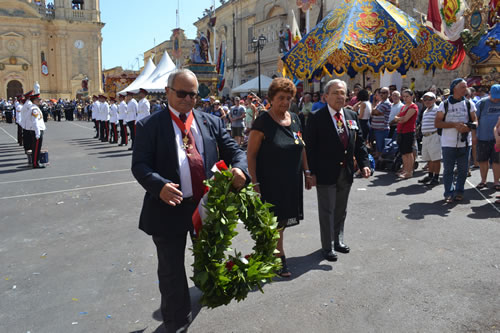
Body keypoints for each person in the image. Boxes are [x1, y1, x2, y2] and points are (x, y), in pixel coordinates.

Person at [131, 69, 248, 333]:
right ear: (168, 92)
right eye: (181, 93)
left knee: (207, 256)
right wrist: (158, 186)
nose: (187, 99)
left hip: (204, 205)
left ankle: (208, 291)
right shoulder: (149, 125)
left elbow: (234, 150)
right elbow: (140, 165)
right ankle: (176, 319)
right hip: (167, 207)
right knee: (171, 267)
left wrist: (241, 169)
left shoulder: (211, 122)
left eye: (193, 94)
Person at [247, 78, 313, 277]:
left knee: (281, 222)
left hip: (291, 181)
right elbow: (251, 155)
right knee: (274, 223)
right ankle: (278, 258)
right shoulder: (263, 122)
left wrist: (307, 172)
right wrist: (254, 182)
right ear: (271, 99)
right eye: (281, 98)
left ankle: (266, 254)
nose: (285, 102)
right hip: (269, 181)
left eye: (289, 98)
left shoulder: (294, 118)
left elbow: (301, 146)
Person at [305, 79, 371, 262]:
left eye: (343, 93)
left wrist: (365, 163)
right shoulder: (316, 117)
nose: (340, 96)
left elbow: (359, 143)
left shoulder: (351, 115)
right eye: (335, 93)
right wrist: (310, 173)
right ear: (326, 96)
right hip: (325, 171)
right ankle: (327, 246)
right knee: (327, 210)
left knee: (341, 210)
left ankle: (338, 239)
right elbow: (309, 148)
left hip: (346, 171)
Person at [435, 78, 478, 203]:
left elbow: (475, 121)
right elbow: (437, 123)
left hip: (465, 143)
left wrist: (468, 127)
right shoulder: (444, 104)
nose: (466, 89)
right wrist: (454, 125)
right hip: (448, 142)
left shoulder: (470, 104)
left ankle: (459, 191)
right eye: (463, 87)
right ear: (455, 88)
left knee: (463, 169)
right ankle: (448, 192)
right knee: (448, 169)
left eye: (466, 87)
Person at [473, 84, 500, 190]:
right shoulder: (482, 103)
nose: (497, 99)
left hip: (497, 139)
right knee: (483, 160)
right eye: (495, 96)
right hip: (483, 137)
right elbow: (475, 120)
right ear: (490, 94)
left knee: (497, 161)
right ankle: (483, 180)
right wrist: (474, 136)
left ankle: (496, 181)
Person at [418, 92, 441, 186]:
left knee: (436, 158)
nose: (427, 101)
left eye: (430, 99)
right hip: (426, 136)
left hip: (434, 135)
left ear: (434, 100)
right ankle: (430, 175)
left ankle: (436, 177)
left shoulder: (437, 109)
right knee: (429, 158)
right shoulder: (426, 110)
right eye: (425, 99)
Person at [394, 90, 418, 179]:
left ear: (412, 96)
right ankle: (405, 169)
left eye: (407, 96)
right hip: (401, 131)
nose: (405, 98)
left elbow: (405, 119)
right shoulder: (404, 106)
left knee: (408, 152)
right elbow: (396, 117)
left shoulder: (413, 106)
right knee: (403, 152)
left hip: (409, 131)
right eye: (403, 96)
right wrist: (399, 118)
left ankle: (409, 171)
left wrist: (399, 118)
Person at [371, 87, 391, 159]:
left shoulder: (386, 103)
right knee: (377, 147)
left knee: (381, 147)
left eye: (384, 93)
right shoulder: (380, 103)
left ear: (388, 94)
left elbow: (376, 112)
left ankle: (380, 162)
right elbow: (373, 112)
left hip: (382, 129)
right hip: (376, 128)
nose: (382, 94)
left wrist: (373, 110)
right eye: (381, 93)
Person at [28, 94, 46, 168]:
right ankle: (35, 163)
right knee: (36, 148)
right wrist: (38, 133)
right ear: (34, 101)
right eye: (38, 100)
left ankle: (36, 162)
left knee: (36, 147)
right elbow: (35, 121)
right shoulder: (34, 109)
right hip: (37, 130)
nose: (40, 101)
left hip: (37, 130)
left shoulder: (35, 108)